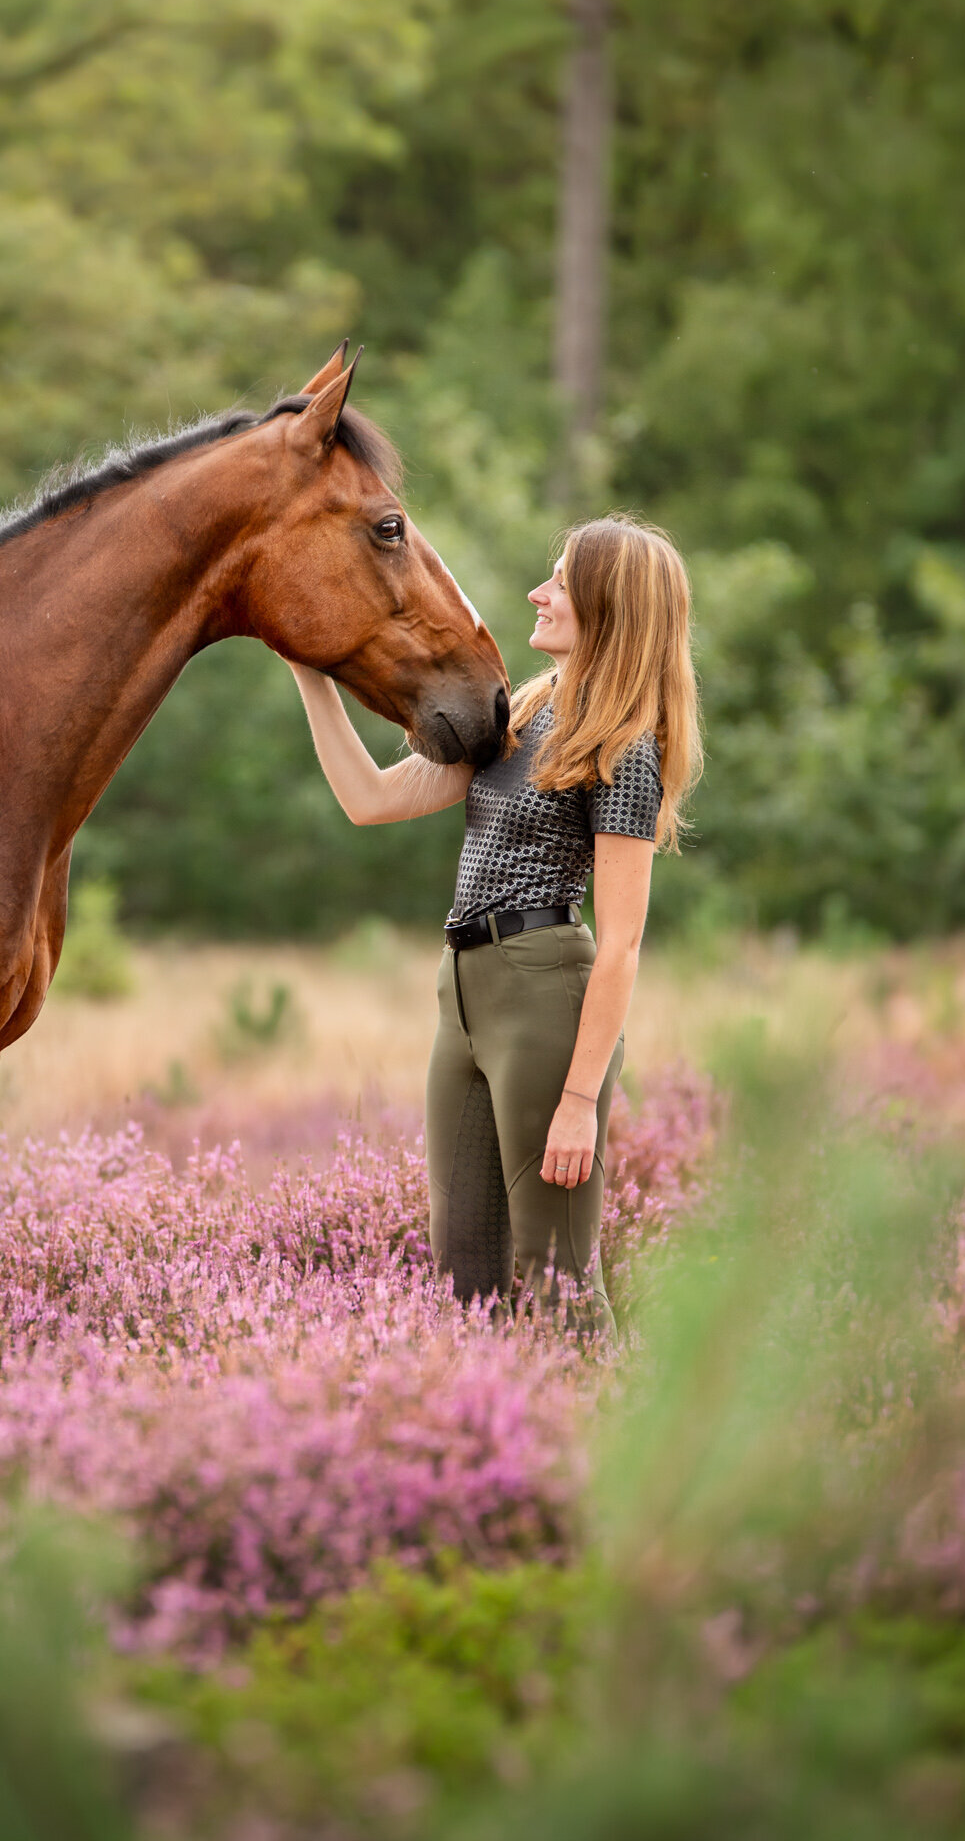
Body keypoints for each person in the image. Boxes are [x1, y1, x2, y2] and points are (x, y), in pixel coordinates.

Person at [287, 514, 701, 1337]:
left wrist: (580, 1098)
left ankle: (603, 1446)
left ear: (607, 608)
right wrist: (311, 670)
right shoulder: (521, 714)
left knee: (559, 1281)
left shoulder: (625, 748)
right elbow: (368, 801)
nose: (536, 594)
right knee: (465, 1280)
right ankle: (502, 1453)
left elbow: (620, 944)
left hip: (545, 995)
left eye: (558, 583)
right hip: (463, 992)